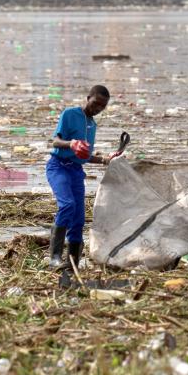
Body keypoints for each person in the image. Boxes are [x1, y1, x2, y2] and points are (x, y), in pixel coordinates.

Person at [47, 85, 114, 269]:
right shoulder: (70, 114)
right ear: (88, 98)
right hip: (58, 167)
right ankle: (54, 257)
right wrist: (71, 143)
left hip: (76, 171)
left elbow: (84, 156)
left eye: (102, 106)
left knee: (79, 218)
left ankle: (72, 261)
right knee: (67, 205)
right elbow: (55, 141)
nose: (97, 108)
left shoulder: (92, 125)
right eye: (95, 103)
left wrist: (104, 160)